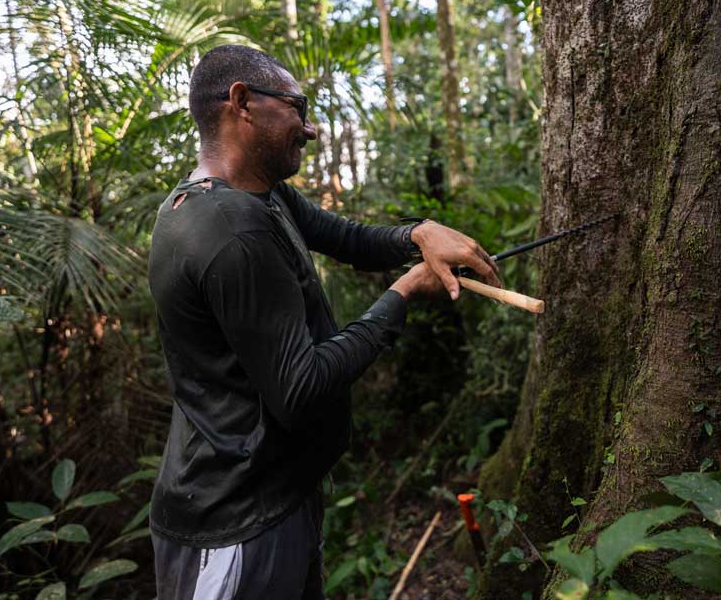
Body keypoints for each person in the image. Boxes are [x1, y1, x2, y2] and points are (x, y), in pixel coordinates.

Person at [147, 44, 500, 600]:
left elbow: (346, 239)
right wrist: (404, 293)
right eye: (297, 107)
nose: (309, 129)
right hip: (236, 523)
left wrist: (418, 234)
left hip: (277, 500)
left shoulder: (257, 198)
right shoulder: (231, 228)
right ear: (243, 102)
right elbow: (301, 388)